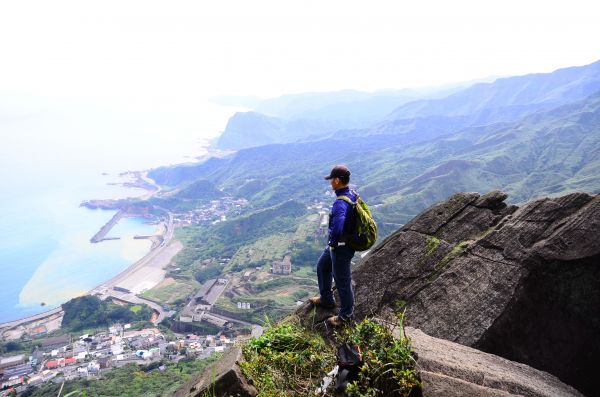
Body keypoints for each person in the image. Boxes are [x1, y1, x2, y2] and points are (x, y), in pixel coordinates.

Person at [309, 165, 356, 326]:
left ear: (337, 181)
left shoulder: (340, 203)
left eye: (331, 180)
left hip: (341, 246)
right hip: (338, 245)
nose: (330, 183)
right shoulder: (351, 194)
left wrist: (334, 242)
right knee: (322, 267)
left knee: (342, 281)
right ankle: (327, 299)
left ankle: (346, 316)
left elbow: (338, 226)